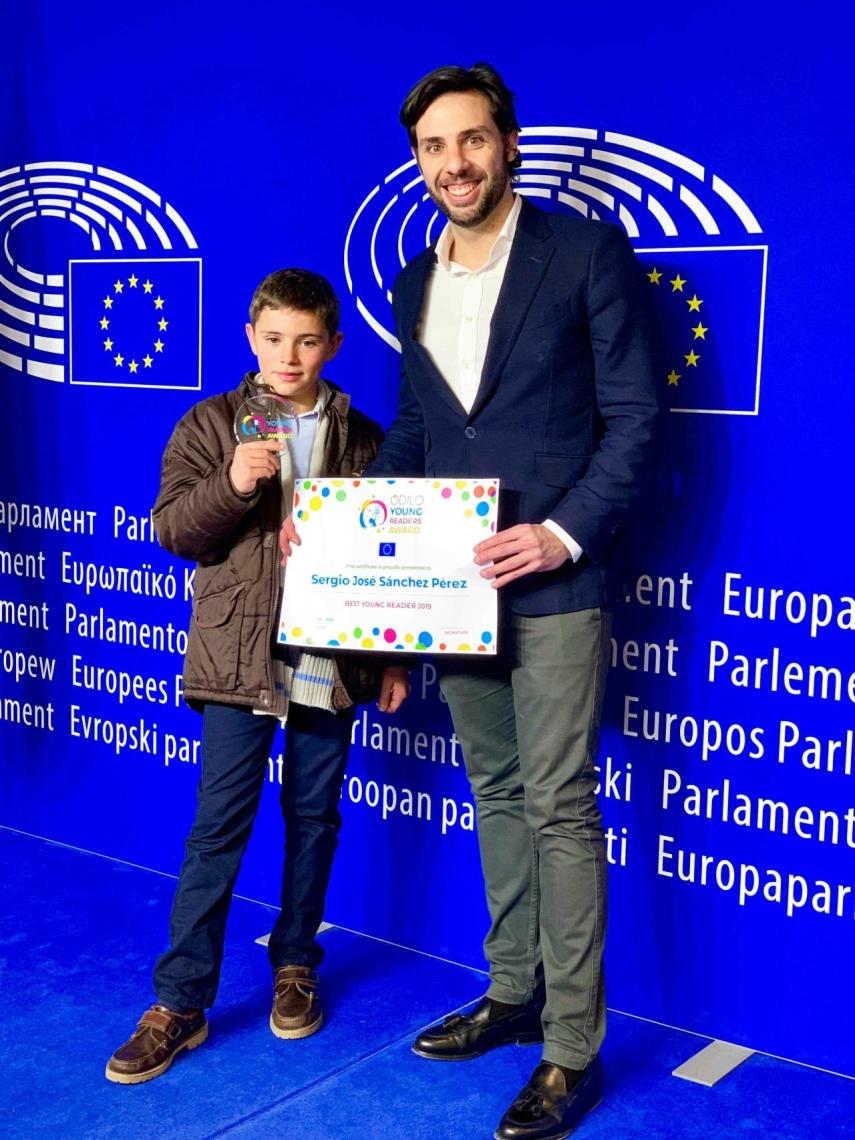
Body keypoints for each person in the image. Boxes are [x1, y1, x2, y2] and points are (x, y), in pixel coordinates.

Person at [368, 64, 659, 1139]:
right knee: (494, 789)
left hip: (556, 582)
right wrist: (355, 533)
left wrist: (560, 533)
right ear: (418, 163)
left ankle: (571, 1051)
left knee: (560, 805)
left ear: (509, 143)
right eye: (435, 148)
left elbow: (634, 420)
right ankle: (512, 991)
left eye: (474, 140)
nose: (456, 164)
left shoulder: (582, 250)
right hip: (452, 590)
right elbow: (420, 433)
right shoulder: (413, 280)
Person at [105, 268, 409, 1085]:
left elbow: (395, 561)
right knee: (218, 826)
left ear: (333, 345)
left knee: (314, 816)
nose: (290, 354)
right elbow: (173, 528)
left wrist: (390, 657)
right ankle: (179, 1002)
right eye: (274, 338)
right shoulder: (209, 424)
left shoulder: (364, 439)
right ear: (251, 338)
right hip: (240, 653)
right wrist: (233, 485)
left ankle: (295, 962)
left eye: (307, 340)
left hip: (331, 652)